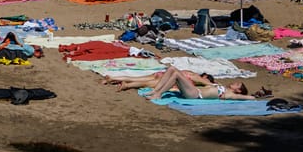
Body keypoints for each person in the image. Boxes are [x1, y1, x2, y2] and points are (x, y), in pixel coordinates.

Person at [115, 64, 272, 101]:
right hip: (194, 91)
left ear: (238, 91)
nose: (236, 83)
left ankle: (158, 93)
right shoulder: (220, 85)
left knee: (176, 74)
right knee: (172, 69)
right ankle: (156, 91)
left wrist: (258, 95)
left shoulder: (231, 95)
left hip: (195, 96)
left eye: (238, 85)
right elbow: (203, 81)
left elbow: (249, 98)